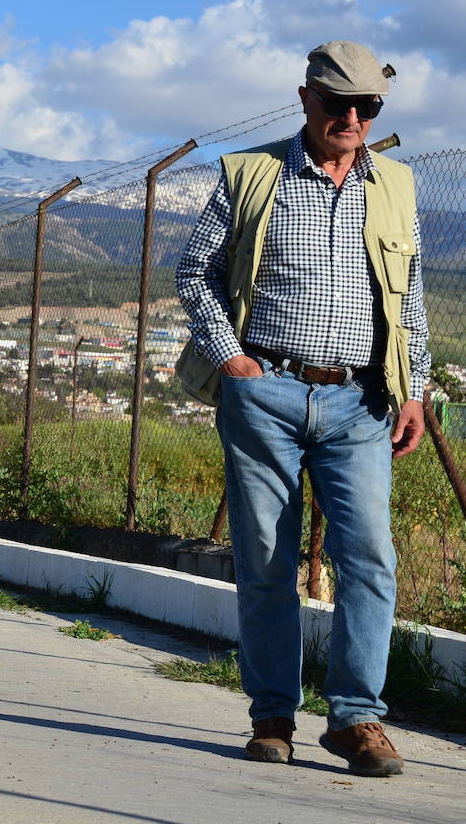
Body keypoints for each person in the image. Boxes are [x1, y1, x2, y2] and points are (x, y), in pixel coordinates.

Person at [175, 41, 427, 777]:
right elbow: (196, 270)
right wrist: (234, 362)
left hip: (361, 401)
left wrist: (414, 389)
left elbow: (407, 300)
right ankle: (273, 716)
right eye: (336, 103)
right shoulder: (252, 173)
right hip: (267, 393)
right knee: (265, 561)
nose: (351, 117)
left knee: (371, 559)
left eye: (367, 106)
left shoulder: (398, 185)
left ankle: (356, 719)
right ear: (305, 98)